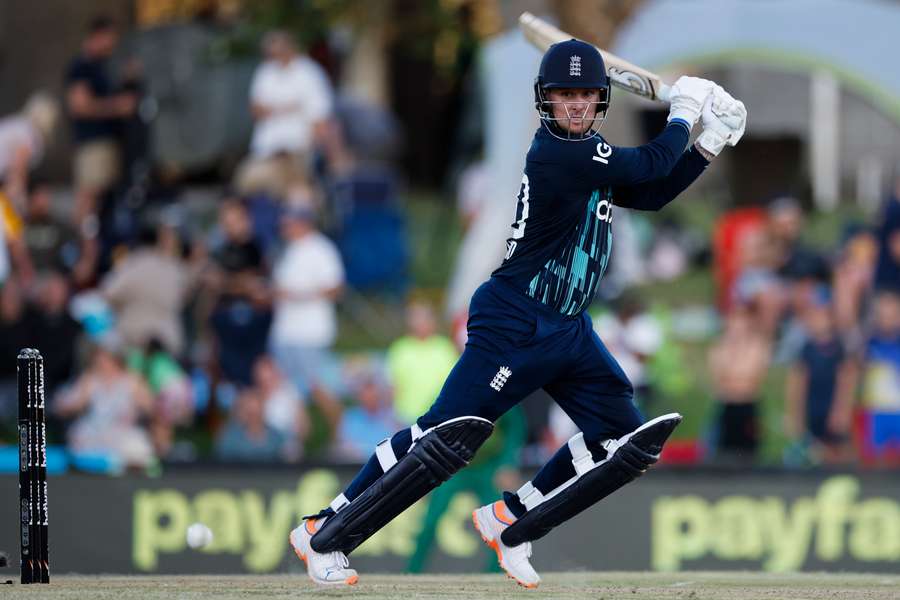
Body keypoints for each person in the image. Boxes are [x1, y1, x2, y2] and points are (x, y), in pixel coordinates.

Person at [288, 39, 746, 587]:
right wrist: (685, 113)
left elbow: (650, 192)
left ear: (600, 99)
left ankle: (511, 521)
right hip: (515, 318)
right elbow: (650, 160)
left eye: (584, 95)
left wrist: (711, 140)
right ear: (546, 102)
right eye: (564, 96)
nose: (574, 106)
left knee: (621, 441)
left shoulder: (591, 155)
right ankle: (324, 531)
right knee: (446, 436)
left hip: (569, 328)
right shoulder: (559, 153)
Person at [234, 30, 333, 197]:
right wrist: (289, 107)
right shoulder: (265, 71)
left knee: (297, 194)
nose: (274, 56)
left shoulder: (310, 73)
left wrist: (314, 149)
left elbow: (320, 118)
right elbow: (256, 109)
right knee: (244, 183)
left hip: (298, 149)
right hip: (267, 149)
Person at [64, 16, 137, 228]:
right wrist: (117, 106)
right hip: (93, 143)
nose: (112, 44)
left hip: (111, 143)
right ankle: (79, 250)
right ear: (97, 36)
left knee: (105, 202)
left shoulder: (105, 66)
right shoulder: (81, 66)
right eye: (109, 37)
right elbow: (79, 105)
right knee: (89, 199)